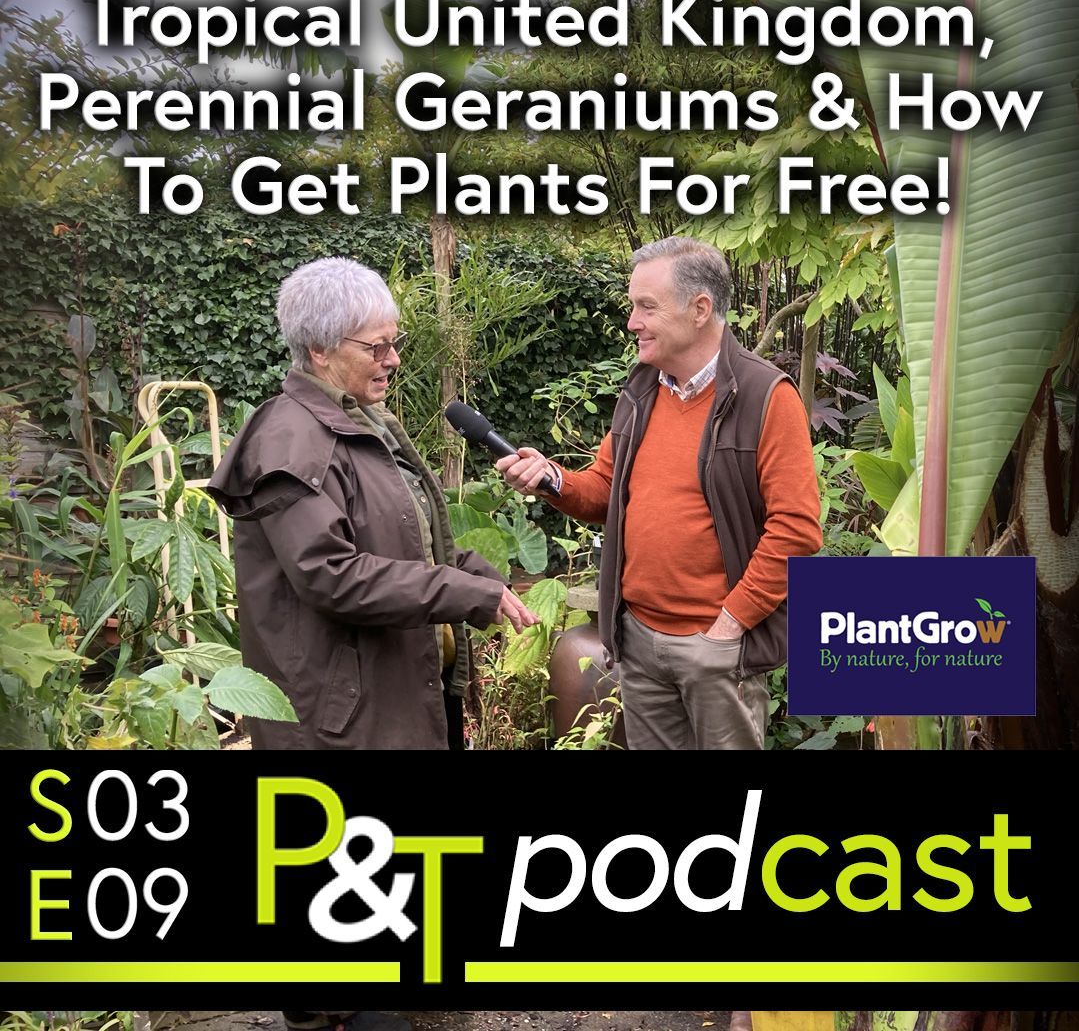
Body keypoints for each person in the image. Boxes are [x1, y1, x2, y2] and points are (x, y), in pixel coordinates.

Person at [496, 236, 822, 750]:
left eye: (646, 306)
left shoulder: (765, 396)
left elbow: (796, 530)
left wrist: (729, 625)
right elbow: (605, 490)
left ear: (700, 309)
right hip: (640, 642)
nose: (632, 322)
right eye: (633, 306)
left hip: (714, 648)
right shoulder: (643, 389)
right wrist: (552, 478)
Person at [208, 256, 538, 750]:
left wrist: (474, 576)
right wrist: (457, 590)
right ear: (320, 349)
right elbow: (330, 575)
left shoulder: (360, 419)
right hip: (341, 720)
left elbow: (400, 537)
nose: (393, 359)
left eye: (394, 342)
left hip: (390, 695)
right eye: (376, 346)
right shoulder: (291, 441)